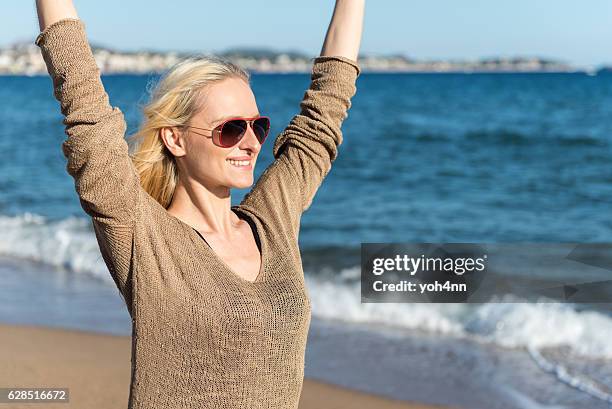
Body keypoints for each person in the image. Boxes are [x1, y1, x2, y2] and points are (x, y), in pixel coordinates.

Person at [34, 0, 364, 407]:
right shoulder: (145, 237)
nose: (251, 142)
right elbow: (85, 109)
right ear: (175, 139)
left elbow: (323, 116)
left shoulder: (271, 221)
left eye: (257, 126)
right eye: (230, 129)